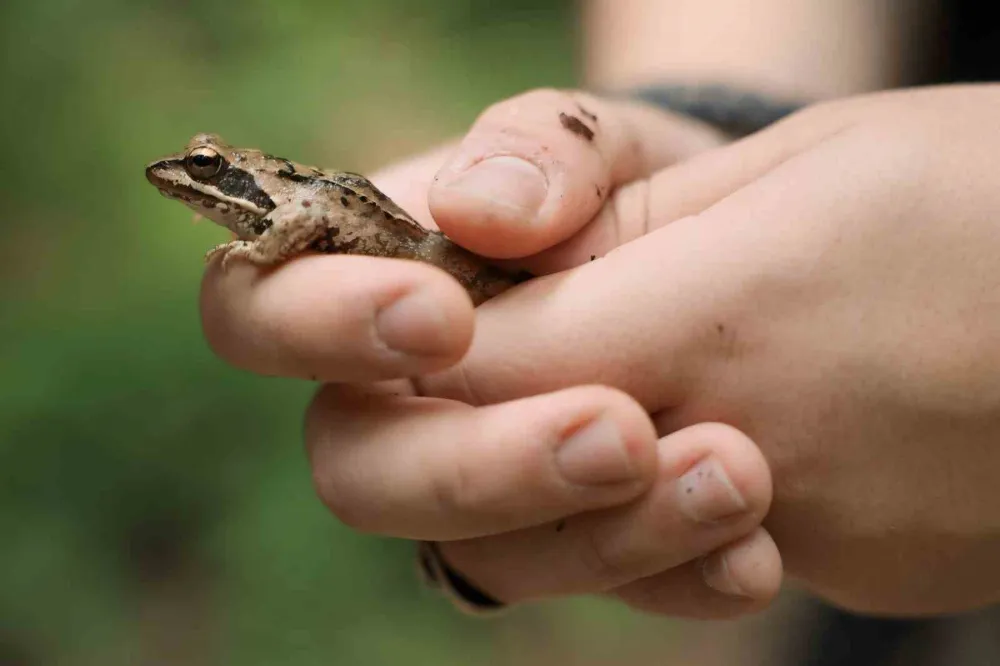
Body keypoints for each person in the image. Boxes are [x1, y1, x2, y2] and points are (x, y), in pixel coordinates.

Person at [198, 0, 1000, 628]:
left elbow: (299, 228)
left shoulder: (281, 211)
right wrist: (712, 122)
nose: (188, 176)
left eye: (206, 168)